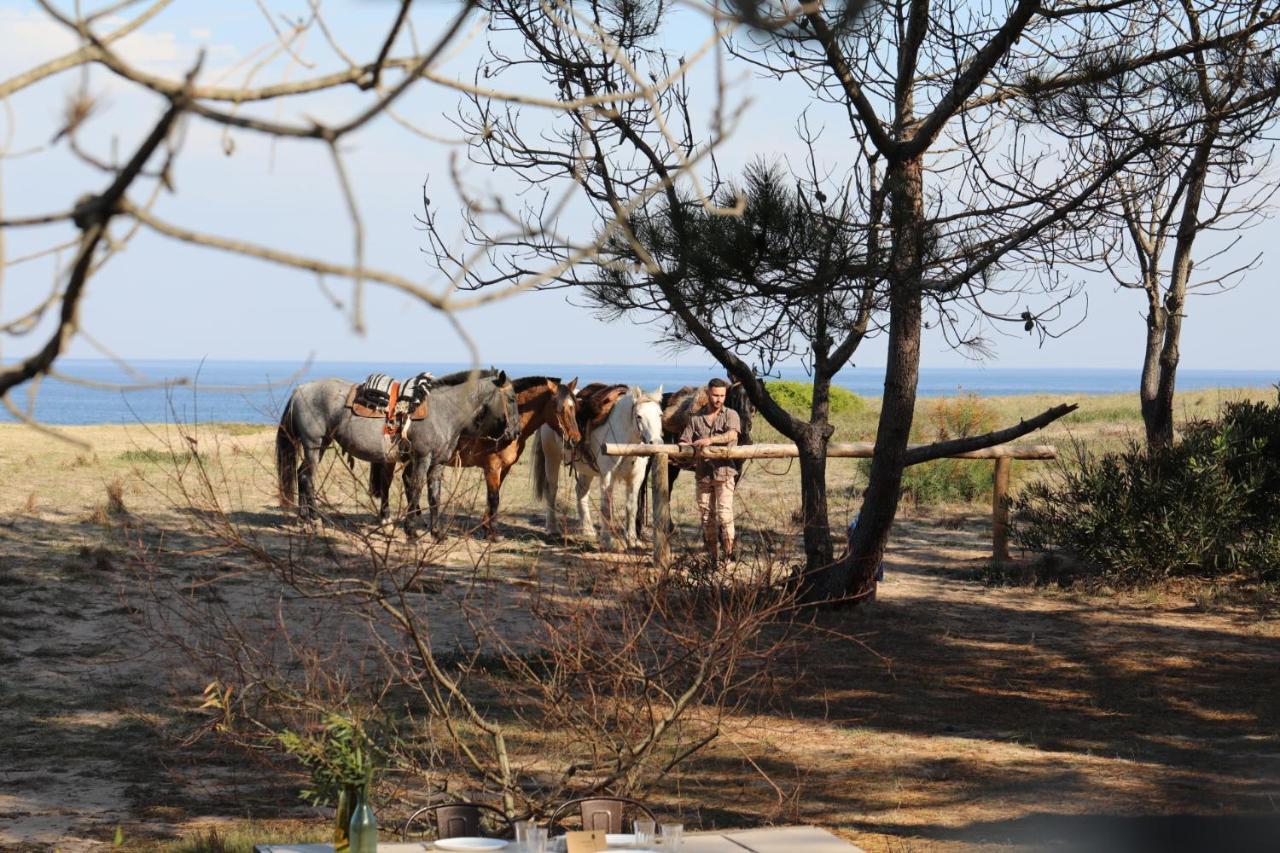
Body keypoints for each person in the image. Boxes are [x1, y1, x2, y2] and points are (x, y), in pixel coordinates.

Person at [678, 378, 741, 565]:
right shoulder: (695, 419)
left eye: (722, 395)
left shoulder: (731, 414)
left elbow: (732, 435)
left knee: (725, 515)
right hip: (703, 475)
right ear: (708, 394)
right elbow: (684, 441)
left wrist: (709, 440)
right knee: (706, 518)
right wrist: (689, 448)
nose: (718, 399)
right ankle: (713, 559)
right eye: (715, 395)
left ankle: (728, 559)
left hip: (725, 473)